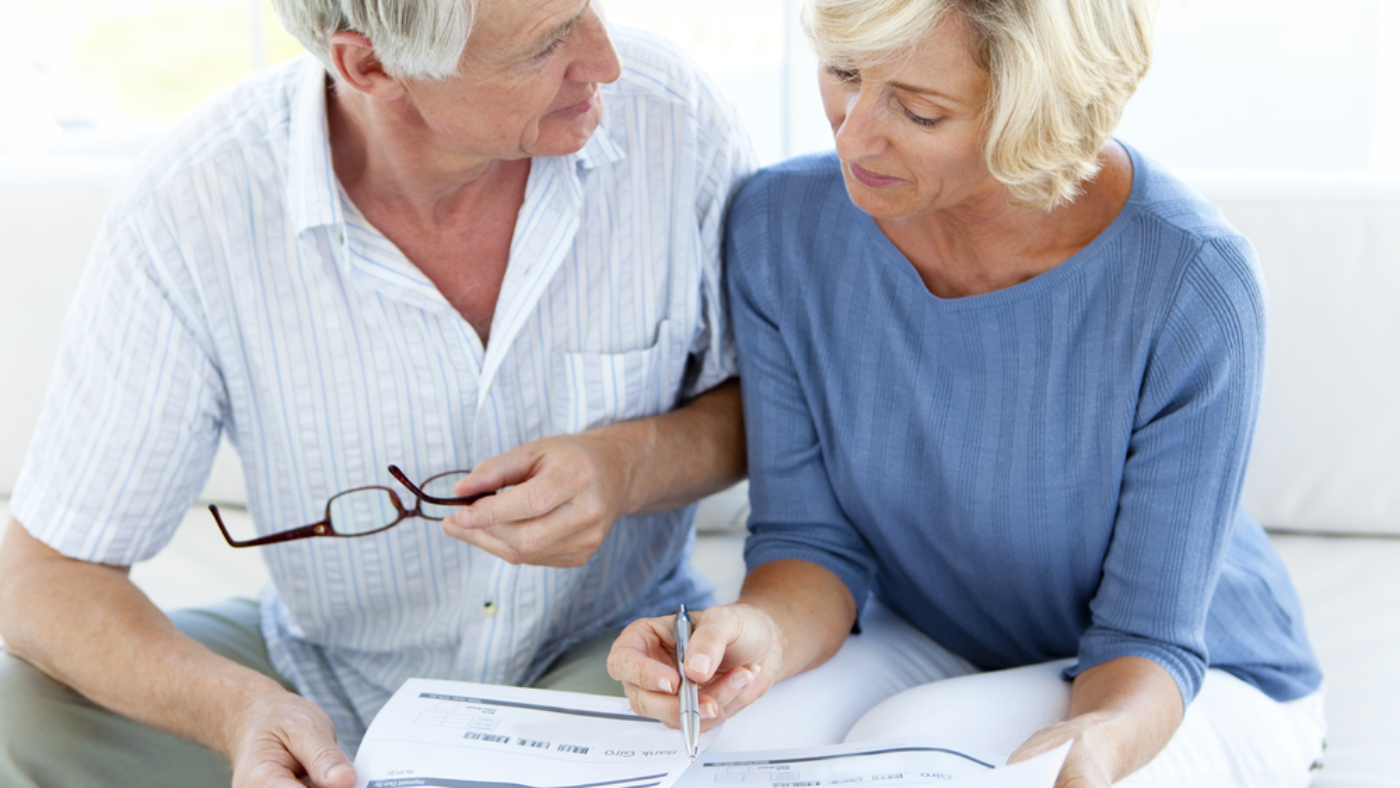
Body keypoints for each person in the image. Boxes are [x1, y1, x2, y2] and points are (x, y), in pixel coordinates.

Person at [0, 0, 755, 786]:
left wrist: (626, 466)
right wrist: (239, 710)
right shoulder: (192, 206)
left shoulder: (677, 123)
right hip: (321, 669)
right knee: (20, 707)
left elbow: (782, 410)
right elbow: (46, 578)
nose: (606, 59)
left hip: (608, 658)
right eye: (546, 45)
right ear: (369, 66)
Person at [608, 0, 1325, 785]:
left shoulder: (1191, 283)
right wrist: (755, 634)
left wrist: (1095, 743)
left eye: (918, 112)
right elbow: (811, 543)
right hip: (934, 628)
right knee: (713, 750)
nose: (850, 135)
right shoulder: (780, 226)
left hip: (1182, 680)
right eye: (843, 72)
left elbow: (1147, 641)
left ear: (1037, 114)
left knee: (920, 744)